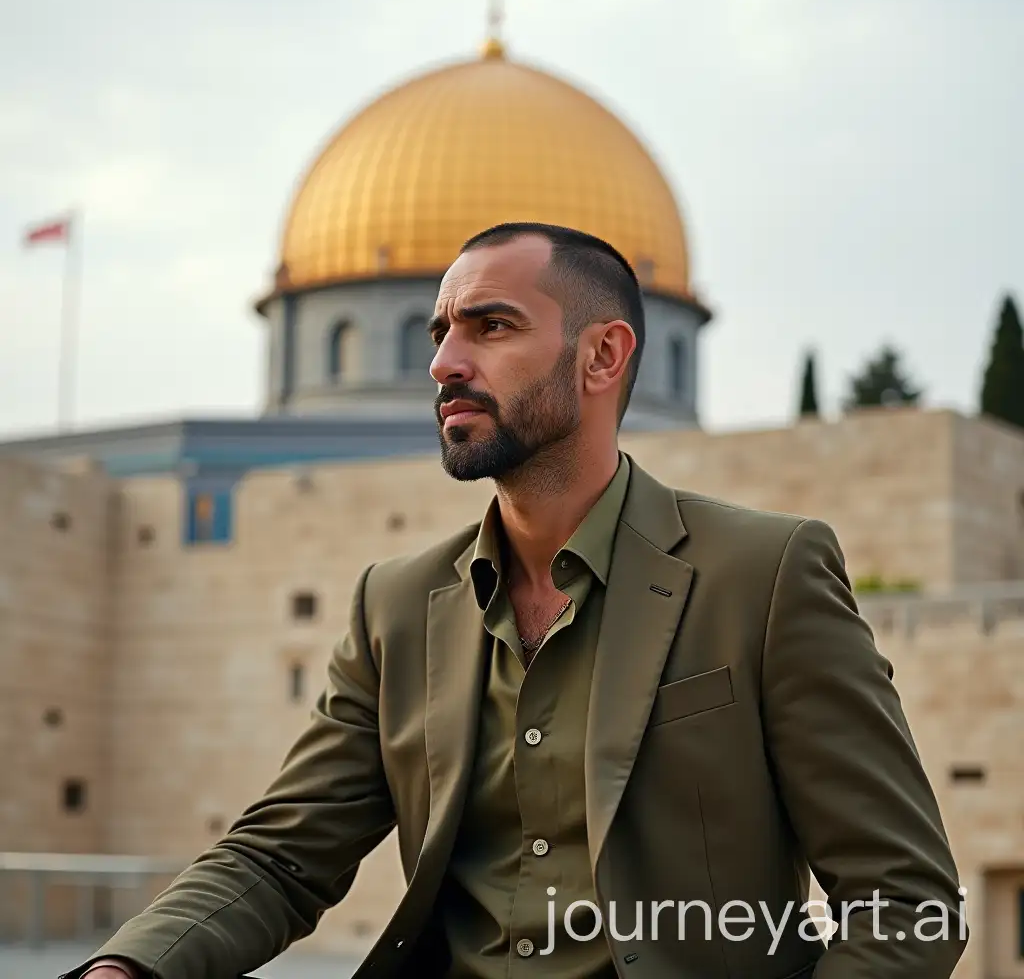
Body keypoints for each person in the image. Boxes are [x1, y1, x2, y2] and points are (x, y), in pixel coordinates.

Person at [64, 223, 966, 979]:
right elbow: (278, 856)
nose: (445, 364)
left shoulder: (763, 575)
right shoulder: (398, 605)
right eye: (438, 334)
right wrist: (125, 967)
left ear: (604, 355)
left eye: (491, 326)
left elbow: (907, 903)